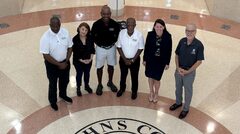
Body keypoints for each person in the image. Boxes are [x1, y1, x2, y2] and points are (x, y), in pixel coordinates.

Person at [169, 23, 204, 119]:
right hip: (179, 70)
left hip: (189, 73)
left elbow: (199, 61)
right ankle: (178, 103)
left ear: (195, 32)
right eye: (187, 30)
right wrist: (177, 67)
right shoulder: (182, 41)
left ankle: (185, 109)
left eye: (191, 31)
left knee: (188, 91)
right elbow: (176, 55)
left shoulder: (198, 45)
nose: (189, 33)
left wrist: (188, 72)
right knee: (178, 88)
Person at [40, 16, 73, 111]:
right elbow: (45, 55)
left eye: (57, 26)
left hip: (65, 62)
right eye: (52, 26)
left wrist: (66, 60)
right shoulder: (45, 37)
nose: (55, 29)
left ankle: (63, 95)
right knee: (53, 83)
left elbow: (70, 47)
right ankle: (52, 101)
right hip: (52, 65)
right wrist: (59, 64)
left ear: (60, 25)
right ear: (50, 25)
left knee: (65, 81)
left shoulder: (65, 32)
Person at [91, 5, 120, 96]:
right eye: (104, 14)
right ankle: (99, 84)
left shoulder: (115, 24)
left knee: (111, 66)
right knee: (99, 67)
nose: (106, 16)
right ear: (101, 14)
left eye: (107, 14)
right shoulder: (96, 25)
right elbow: (93, 37)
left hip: (111, 48)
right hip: (100, 49)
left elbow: (117, 36)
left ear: (110, 14)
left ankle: (110, 82)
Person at [143, 19, 172, 103]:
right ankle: (151, 92)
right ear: (154, 27)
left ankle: (156, 93)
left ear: (163, 27)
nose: (158, 28)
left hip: (160, 61)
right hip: (150, 60)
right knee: (150, 77)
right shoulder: (150, 34)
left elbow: (169, 50)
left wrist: (167, 63)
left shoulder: (168, 36)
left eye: (160, 27)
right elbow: (146, 47)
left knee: (157, 79)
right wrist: (145, 59)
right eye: (157, 26)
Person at [116, 18, 144, 100]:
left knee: (134, 77)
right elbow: (119, 47)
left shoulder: (139, 35)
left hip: (135, 60)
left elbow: (140, 48)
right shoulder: (121, 33)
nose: (130, 27)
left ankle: (134, 91)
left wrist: (132, 60)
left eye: (132, 25)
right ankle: (122, 89)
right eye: (128, 25)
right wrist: (125, 59)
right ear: (126, 25)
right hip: (123, 60)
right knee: (123, 75)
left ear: (135, 25)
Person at [72, 22, 95, 96]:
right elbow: (75, 53)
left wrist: (90, 59)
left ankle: (86, 86)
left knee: (87, 74)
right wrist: (82, 60)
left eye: (86, 30)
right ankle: (78, 88)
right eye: (82, 29)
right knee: (79, 74)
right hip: (78, 61)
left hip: (88, 60)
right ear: (79, 29)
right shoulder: (75, 39)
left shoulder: (90, 38)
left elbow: (92, 50)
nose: (84, 32)